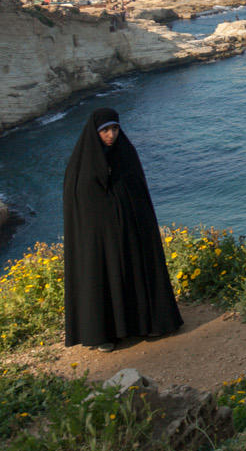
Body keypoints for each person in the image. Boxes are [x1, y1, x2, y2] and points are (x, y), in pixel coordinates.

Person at [63, 108, 182, 351]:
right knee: (103, 277)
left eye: (115, 128)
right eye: (105, 130)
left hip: (129, 232)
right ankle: (104, 334)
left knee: (135, 270)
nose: (111, 135)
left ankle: (144, 324)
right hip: (99, 239)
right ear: (94, 132)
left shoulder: (125, 154)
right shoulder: (80, 166)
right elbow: (82, 205)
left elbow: (137, 191)